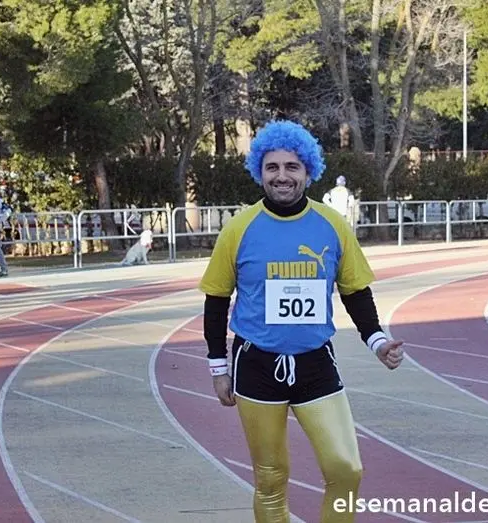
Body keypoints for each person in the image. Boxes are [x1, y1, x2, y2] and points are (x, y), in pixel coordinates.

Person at [198, 120, 404, 523]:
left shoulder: (332, 224)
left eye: (292, 166)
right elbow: (216, 300)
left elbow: (355, 291)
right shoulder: (239, 228)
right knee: (271, 478)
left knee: (346, 469)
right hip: (256, 366)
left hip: (315, 364)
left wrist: (377, 341)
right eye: (272, 167)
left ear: (308, 171)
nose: (282, 176)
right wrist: (218, 368)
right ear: (259, 172)